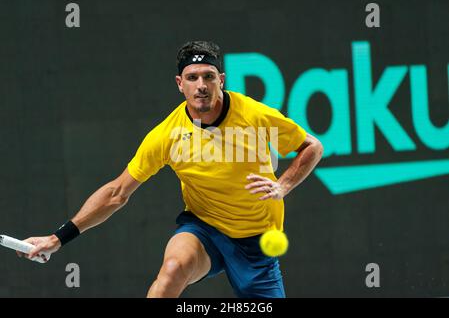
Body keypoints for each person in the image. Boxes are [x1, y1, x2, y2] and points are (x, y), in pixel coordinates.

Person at [19, 41, 323, 298]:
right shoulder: (167, 135)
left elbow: (312, 146)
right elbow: (116, 193)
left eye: (208, 76)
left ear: (222, 79)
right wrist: (57, 238)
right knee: (173, 268)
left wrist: (283, 186)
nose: (201, 86)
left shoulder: (255, 115)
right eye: (192, 78)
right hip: (205, 230)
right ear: (180, 84)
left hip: (258, 242)